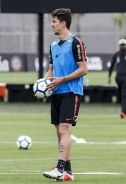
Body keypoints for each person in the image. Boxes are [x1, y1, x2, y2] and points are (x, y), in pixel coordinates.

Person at [42, 8, 88, 181]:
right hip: (56, 93)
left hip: (71, 91)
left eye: (54, 21)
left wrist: (62, 80)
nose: (51, 24)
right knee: (58, 132)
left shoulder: (76, 42)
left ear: (63, 23)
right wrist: (42, 85)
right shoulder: (53, 46)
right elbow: (51, 70)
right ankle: (67, 171)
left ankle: (60, 167)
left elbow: (83, 69)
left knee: (64, 129)